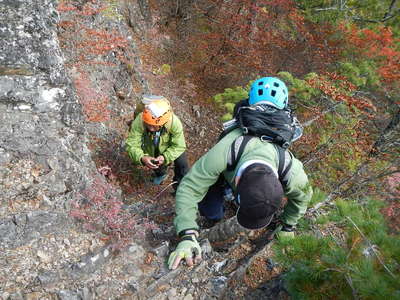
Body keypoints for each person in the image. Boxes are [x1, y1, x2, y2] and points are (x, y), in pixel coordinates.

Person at [167, 77, 313, 270]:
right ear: (236, 181)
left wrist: (288, 225)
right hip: (225, 173)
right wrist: (187, 234)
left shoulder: (291, 169)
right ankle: (213, 215)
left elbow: (304, 196)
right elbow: (191, 185)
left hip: (240, 172)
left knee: (221, 208)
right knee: (211, 211)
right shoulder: (228, 149)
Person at [125, 96, 189, 189]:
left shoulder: (174, 123)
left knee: (182, 165)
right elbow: (132, 144)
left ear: (163, 122)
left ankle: (180, 188)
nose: (151, 128)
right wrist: (142, 157)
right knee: (155, 159)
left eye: (155, 126)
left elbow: (179, 146)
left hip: (172, 144)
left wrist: (165, 156)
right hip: (151, 143)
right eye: (148, 125)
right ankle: (160, 174)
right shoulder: (140, 120)